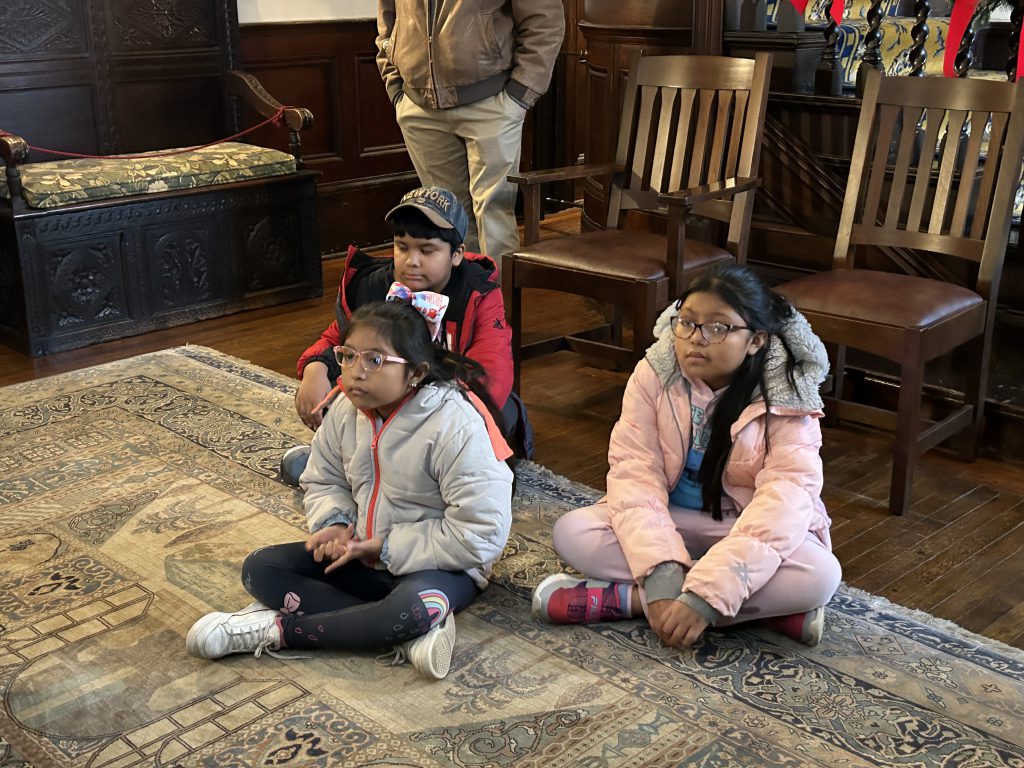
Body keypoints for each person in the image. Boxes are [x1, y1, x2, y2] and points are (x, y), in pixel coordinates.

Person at [186, 300, 514, 679]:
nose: (356, 373)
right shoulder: (345, 408)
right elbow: (324, 477)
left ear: (415, 373)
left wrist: (387, 546)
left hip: (440, 566)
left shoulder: (454, 425)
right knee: (261, 569)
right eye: (348, 356)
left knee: (410, 607)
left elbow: (481, 533)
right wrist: (337, 523)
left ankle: (282, 631)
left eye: (375, 360)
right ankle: (403, 634)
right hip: (363, 555)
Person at [531, 263, 842, 648]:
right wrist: (661, 576)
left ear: (756, 341)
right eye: (687, 323)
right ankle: (763, 612)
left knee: (820, 575)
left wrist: (704, 599)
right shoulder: (655, 375)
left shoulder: (789, 397)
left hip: (739, 525)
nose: (696, 339)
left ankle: (627, 601)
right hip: (669, 519)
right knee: (573, 532)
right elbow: (634, 474)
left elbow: (786, 501)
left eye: (718, 327)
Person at [281, 185, 529, 486]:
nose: (412, 260)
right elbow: (337, 339)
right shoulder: (375, 286)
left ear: (456, 255)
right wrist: (315, 368)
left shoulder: (478, 293)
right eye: (402, 246)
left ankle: (399, 474)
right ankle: (349, 465)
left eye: (427, 250)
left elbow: (493, 370)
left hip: (449, 406)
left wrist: (415, 408)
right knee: (335, 396)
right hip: (385, 399)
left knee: (496, 411)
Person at [376, 0, 564, 266]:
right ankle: (464, 301)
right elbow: (387, 22)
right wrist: (395, 87)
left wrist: (520, 94)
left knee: (493, 213)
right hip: (419, 107)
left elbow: (545, 21)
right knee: (446, 215)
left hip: (492, 102)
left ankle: (496, 304)